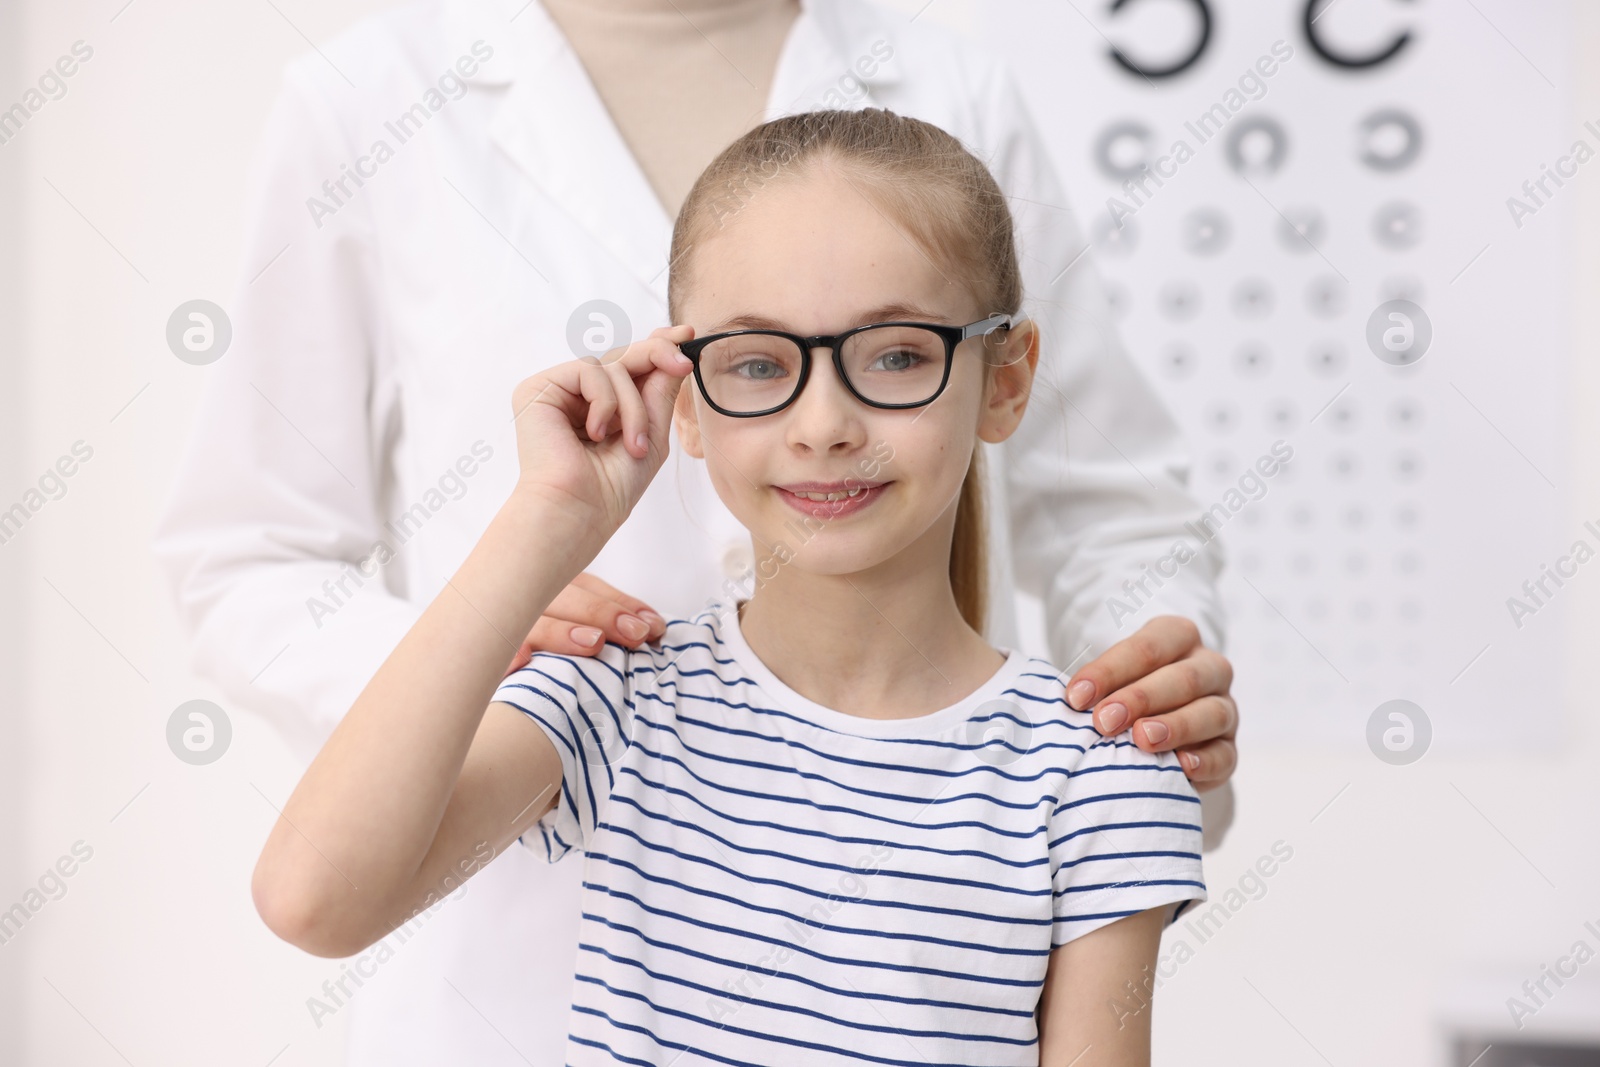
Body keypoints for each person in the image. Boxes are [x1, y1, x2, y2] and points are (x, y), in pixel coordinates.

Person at [153, 0, 1237, 1061]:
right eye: (755, 364)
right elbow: (256, 564)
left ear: (999, 382)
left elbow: (1110, 493)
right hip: (499, 952)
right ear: (690, 406)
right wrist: (499, 626)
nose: (822, 424)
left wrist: (1144, 701)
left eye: (896, 353)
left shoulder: (950, 82)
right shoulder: (366, 99)